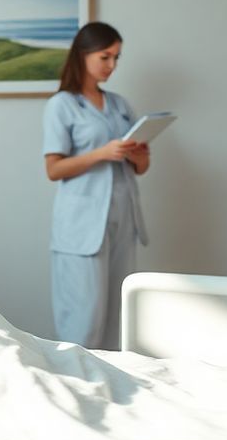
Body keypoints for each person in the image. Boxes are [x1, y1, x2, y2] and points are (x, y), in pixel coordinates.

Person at [41, 22, 150, 351]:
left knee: (120, 315)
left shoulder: (120, 105)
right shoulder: (62, 105)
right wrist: (102, 153)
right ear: (84, 54)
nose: (112, 66)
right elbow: (54, 168)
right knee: (84, 320)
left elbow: (141, 168)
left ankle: (116, 392)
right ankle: (79, 390)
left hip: (122, 218)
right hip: (82, 224)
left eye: (117, 58)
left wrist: (139, 155)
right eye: (105, 57)